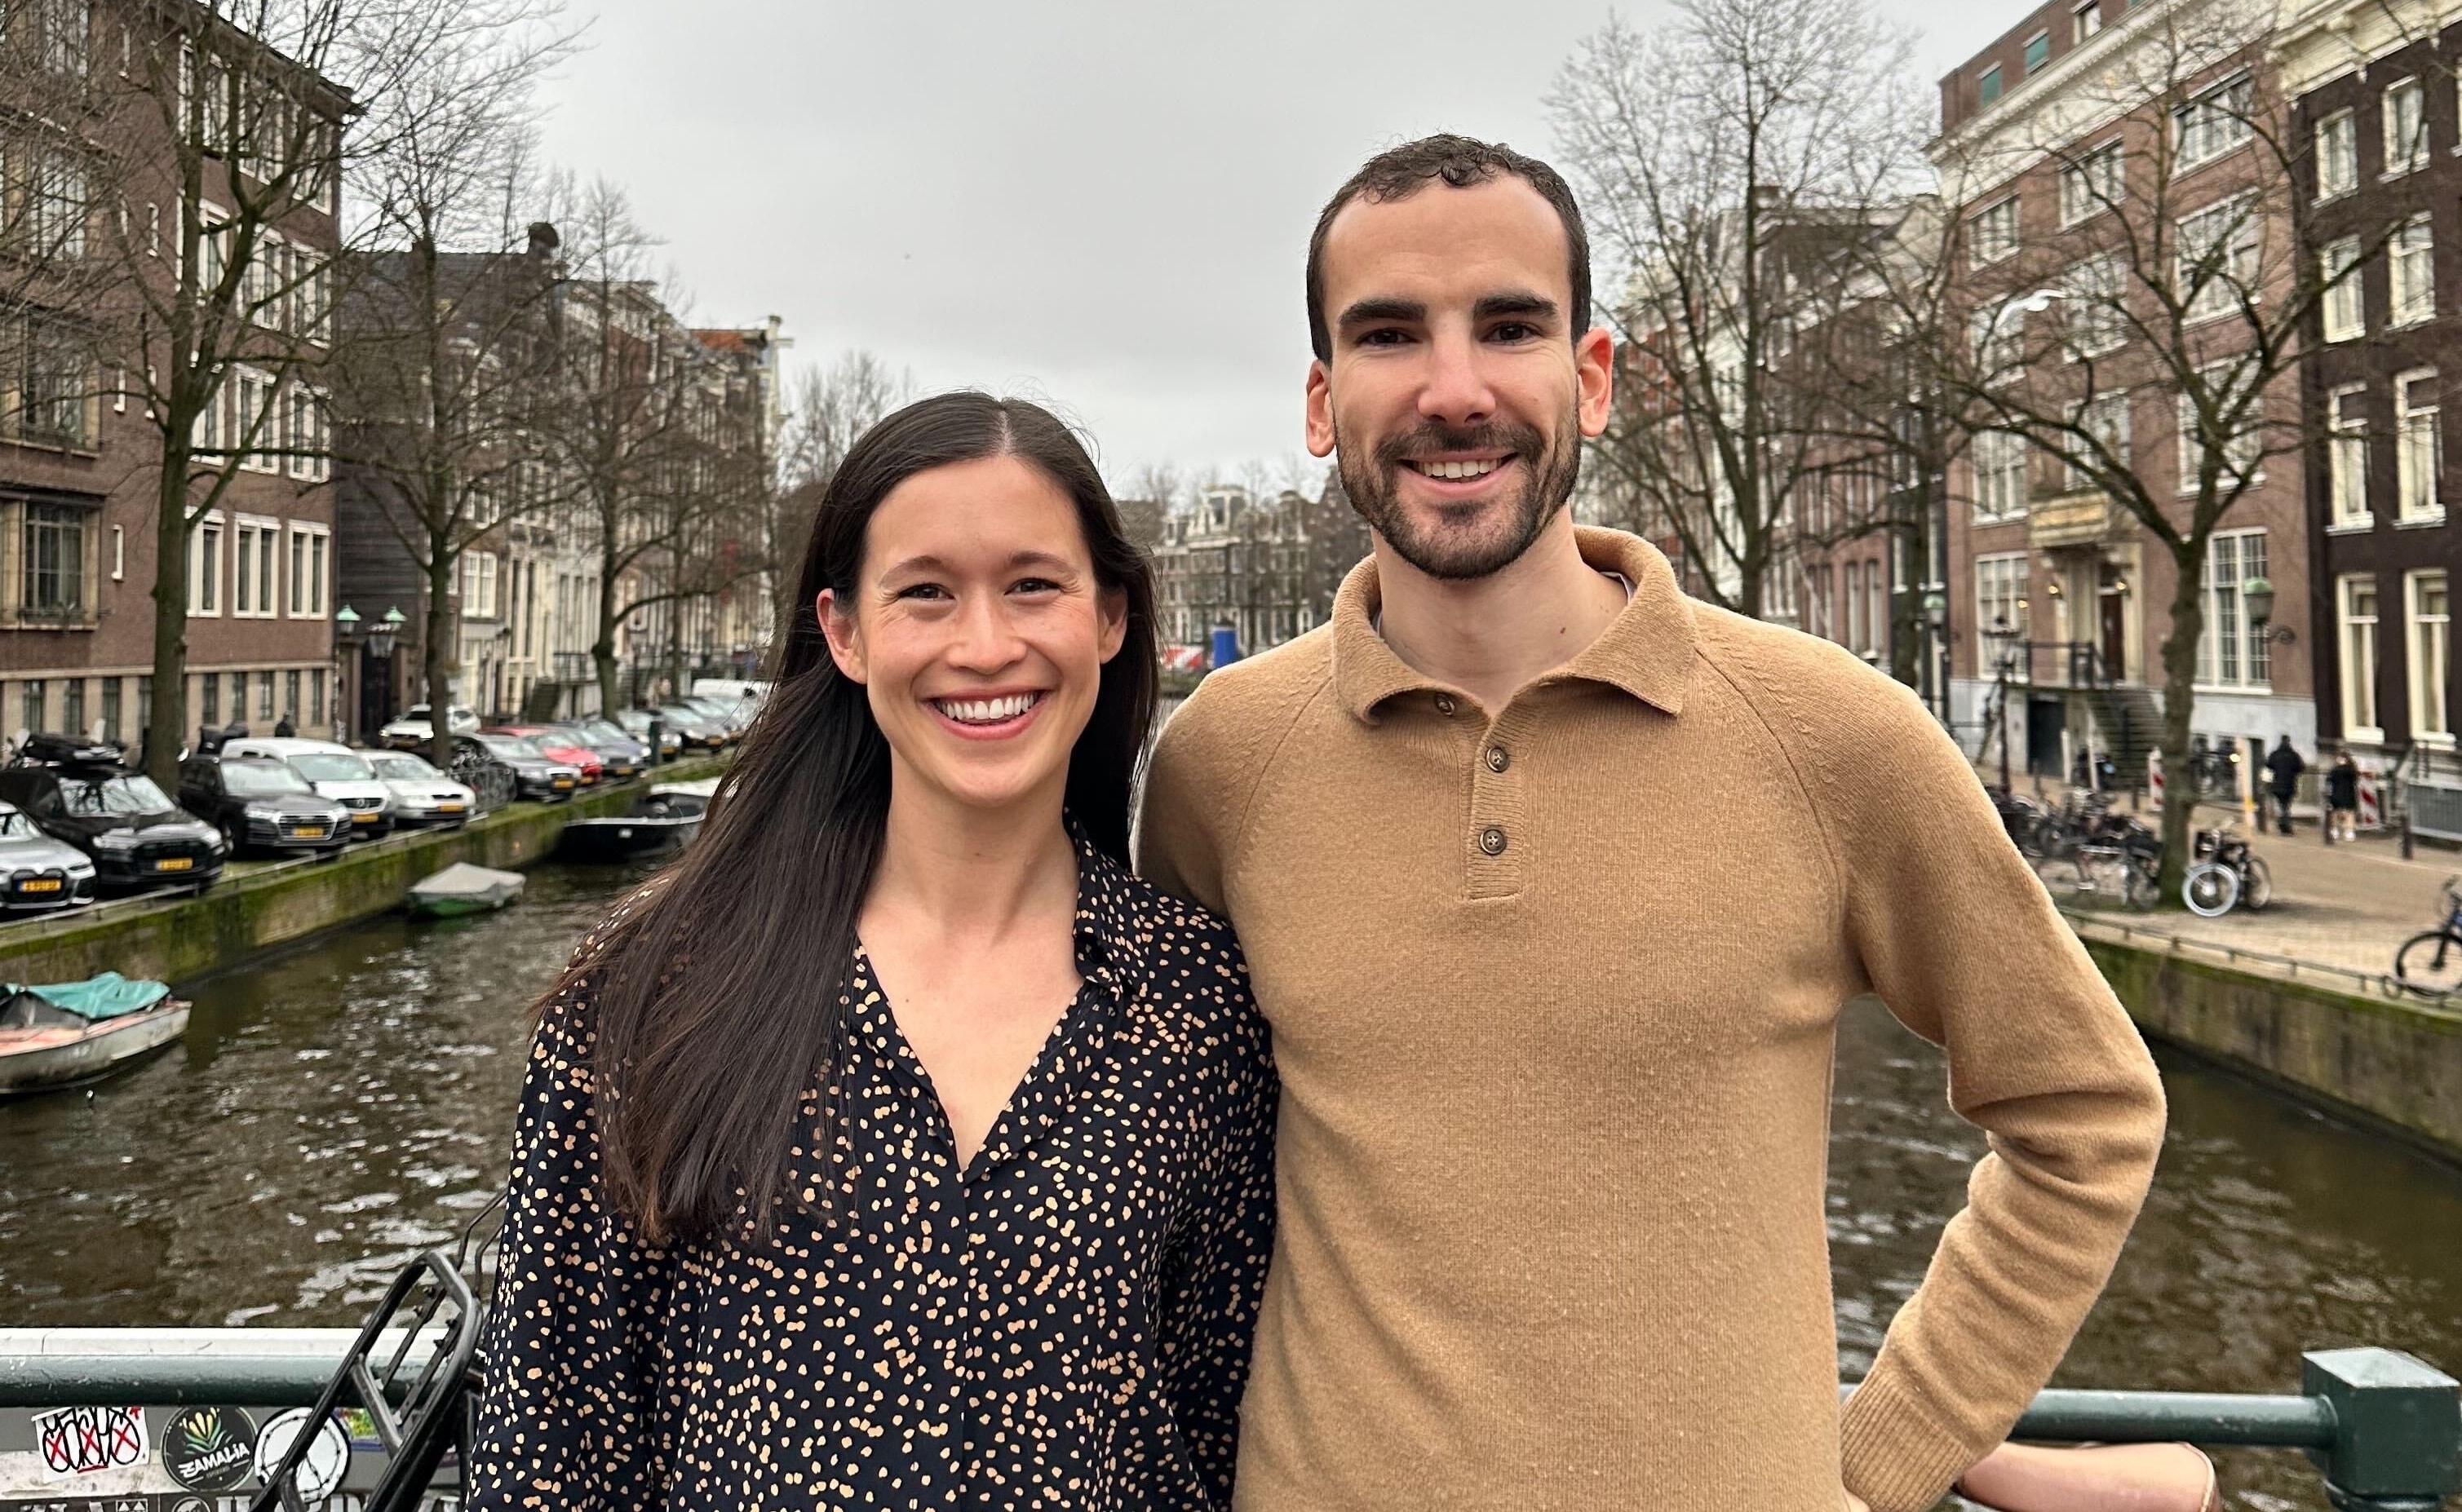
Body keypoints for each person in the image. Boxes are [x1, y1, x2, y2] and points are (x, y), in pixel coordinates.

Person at [1138, 135, 2175, 1512]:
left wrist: (1876, 1452)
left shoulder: (1830, 737)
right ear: (1324, 400)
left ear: (1591, 377)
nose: (1454, 390)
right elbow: (1184, 1167)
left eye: (1508, 326)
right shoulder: (1224, 760)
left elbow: (2081, 1107)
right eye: (1390, 334)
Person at [466, 392, 1274, 1511]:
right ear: (844, 631)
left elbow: (1217, 1423)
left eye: (1032, 585)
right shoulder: (656, 988)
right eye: (926, 592)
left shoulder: (1201, 1004)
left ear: (1109, 618)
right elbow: (548, 1444)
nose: (984, 644)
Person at [2265, 735, 2305, 836]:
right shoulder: (2294, 755)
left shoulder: (2275, 754)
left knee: (2283, 805)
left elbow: (2269, 765)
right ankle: (2284, 824)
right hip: (2290, 784)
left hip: (2277, 784)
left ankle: (2283, 823)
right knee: (2286, 806)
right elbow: (2300, 768)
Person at [2326, 748, 2362, 842]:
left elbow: (2329, 780)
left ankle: (2335, 831)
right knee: (2349, 814)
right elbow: (2356, 779)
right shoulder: (2352, 770)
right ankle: (2349, 832)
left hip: (2336, 794)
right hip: (2349, 794)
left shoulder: (2335, 770)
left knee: (2335, 814)